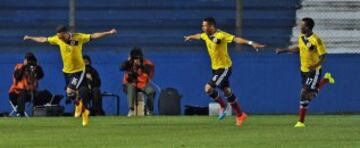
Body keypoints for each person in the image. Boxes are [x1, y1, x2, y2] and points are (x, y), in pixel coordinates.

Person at [23, 25, 117, 126]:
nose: (60, 39)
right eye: (58, 37)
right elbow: (43, 39)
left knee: (70, 90)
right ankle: (84, 110)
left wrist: (108, 32)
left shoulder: (78, 37)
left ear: (65, 33)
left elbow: (93, 36)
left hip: (78, 70)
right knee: (69, 94)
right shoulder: (57, 39)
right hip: (66, 71)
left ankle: (82, 109)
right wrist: (30, 37)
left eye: (61, 36)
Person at [184, 17, 265, 127]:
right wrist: (190, 37)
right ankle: (240, 114)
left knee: (208, 88)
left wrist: (251, 43)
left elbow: (236, 39)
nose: (203, 27)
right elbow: (199, 36)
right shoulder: (205, 35)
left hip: (224, 68)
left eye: (205, 25)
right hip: (215, 68)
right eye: (202, 25)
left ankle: (223, 106)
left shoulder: (221, 35)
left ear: (211, 26)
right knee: (227, 91)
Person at [276, 17, 335, 128]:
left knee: (303, 93)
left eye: (302, 26)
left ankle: (301, 122)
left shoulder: (316, 40)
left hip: (313, 71)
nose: (300, 27)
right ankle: (325, 80)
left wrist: (315, 66)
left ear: (307, 27)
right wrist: (284, 50)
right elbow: (299, 48)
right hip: (303, 70)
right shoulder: (302, 37)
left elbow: (323, 56)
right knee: (308, 96)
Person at [9, 52, 62, 116]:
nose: (30, 62)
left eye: (32, 60)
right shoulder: (19, 66)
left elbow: (41, 75)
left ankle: (53, 106)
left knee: (45, 93)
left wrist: (37, 66)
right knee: (23, 93)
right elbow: (17, 76)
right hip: (15, 94)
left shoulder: (34, 69)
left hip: (29, 94)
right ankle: (20, 113)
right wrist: (24, 66)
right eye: (29, 60)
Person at [120, 47, 155, 116]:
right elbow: (121, 67)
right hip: (129, 85)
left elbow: (149, 71)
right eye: (134, 58)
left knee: (151, 91)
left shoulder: (146, 63)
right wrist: (128, 61)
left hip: (142, 85)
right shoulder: (128, 63)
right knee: (131, 87)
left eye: (138, 58)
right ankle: (131, 110)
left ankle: (149, 110)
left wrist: (141, 66)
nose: (136, 60)